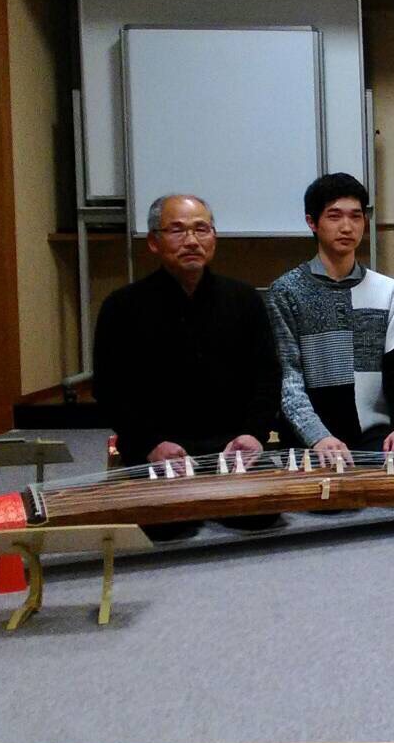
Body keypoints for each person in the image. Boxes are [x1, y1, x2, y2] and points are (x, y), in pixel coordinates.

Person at [92, 194, 281, 537]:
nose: (192, 240)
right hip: (161, 447)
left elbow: (267, 377)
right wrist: (150, 444)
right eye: (177, 230)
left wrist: (253, 434)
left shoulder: (245, 300)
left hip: (230, 444)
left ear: (214, 238)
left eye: (201, 229)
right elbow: (109, 390)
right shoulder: (121, 307)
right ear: (154, 241)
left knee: (260, 515)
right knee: (167, 525)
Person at [266, 173, 394, 459]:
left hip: (375, 434)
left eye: (356, 216)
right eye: (334, 216)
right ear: (312, 222)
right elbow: (288, 378)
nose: (347, 227)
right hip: (309, 438)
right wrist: (317, 436)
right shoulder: (286, 292)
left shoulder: (387, 289)